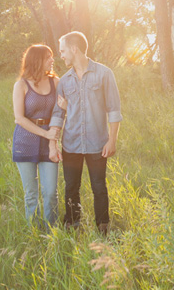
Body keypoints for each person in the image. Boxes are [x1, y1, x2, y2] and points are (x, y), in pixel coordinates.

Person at [50, 31, 122, 234]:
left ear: (74, 49)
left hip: (97, 143)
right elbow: (58, 113)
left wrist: (112, 141)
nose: (61, 55)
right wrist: (53, 143)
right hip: (71, 143)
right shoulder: (64, 81)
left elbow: (114, 110)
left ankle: (103, 228)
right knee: (71, 187)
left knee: (99, 187)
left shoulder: (104, 74)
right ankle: (72, 225)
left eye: (63, 51)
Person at [12, 44, 62, 227]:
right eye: (48, 57)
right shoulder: (21, 85)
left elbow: (61, 109)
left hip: (49, 144)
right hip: (24, 142)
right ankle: (34, 233)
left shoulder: (55, 82)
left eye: (52, 56)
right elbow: (19, 118)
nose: (52, 60)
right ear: (37, 60)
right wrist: (46, 133)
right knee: (31, 194)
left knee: (50, 192)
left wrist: (51, 138)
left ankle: (52, 233)